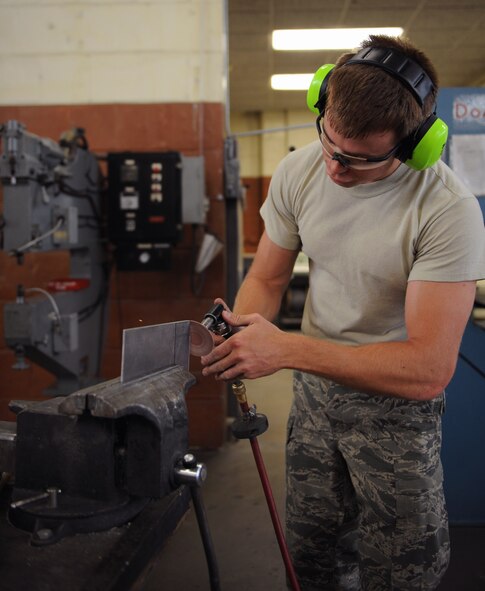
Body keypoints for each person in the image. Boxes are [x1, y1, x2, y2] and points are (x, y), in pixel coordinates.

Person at [201, 34, 485, 591]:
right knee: (311, 558)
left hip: (397, 408)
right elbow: (267, 275)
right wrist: (243, 333)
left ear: (413, 146)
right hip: (314, 400)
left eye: (358, 160)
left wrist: (285, 349)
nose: (335, 169)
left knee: (402, 570)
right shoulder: (300, 171)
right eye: (330, 144)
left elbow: (428, 369)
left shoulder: (446, 210)